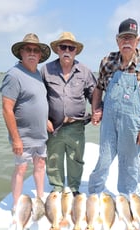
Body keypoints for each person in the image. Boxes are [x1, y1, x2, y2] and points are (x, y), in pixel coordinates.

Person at [88, 18, 140, 196]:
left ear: (138, 40)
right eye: (123, 38)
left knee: (129, 164)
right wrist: (96, 110)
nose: (127, 42)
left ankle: (127, 198)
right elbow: (98, 89)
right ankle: (94, 194)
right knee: (104, 160)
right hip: (109, 123)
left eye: (131, 38)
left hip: (133, 123)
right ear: (117, 40)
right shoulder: (107, 61)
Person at [0, 33, 51, 213]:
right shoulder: (14, 75)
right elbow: (7, 108)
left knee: (40, 165)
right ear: (21, 52)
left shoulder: (37, 73)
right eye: (28, 49)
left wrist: (45, 120)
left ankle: (39, 198)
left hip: (40, 134)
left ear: (40, 55)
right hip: (23, 136)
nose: (32, 53)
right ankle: (16, 205)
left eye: (35, 50)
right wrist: (16, 139)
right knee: (21, 168)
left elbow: (36, 101)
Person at [41, 32, 96, 196]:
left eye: (71, 48)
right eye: (63, 47)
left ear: (75, 51)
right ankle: (57, 187)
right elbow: (39, 97)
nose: (67, 50)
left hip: (76, 125)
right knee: (53, 158)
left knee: (75, 158)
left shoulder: (85, 71)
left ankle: (74, 188)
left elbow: (94, 94)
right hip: (53, 125)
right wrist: (44, 119)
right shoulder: (46, 70)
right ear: (58, 49)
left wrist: (97, 111)